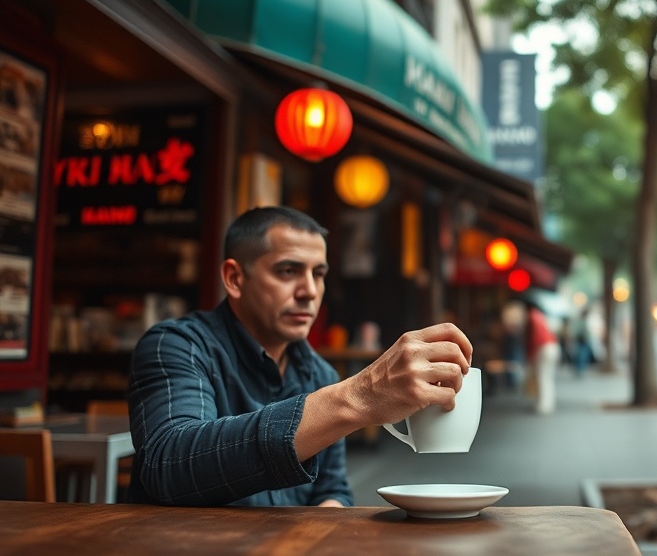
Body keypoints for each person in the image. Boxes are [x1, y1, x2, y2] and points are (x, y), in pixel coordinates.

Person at [126, 206, 473, 507]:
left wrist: (327, 518)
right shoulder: (178, 345)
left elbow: (332, 489)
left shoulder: (319, 374)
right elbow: (168, 465)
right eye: (288, 271)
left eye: (318, 274)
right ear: (234, 278)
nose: (309, 291)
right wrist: (357, 396)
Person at [524, 300, 560, 414]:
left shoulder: (533, 316)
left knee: (543, 376)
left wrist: (531, 353)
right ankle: (547, 402)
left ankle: (544, 405)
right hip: (552, 346)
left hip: (544, 348)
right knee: (547, 376)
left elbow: (536, 336)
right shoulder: (541, 316)